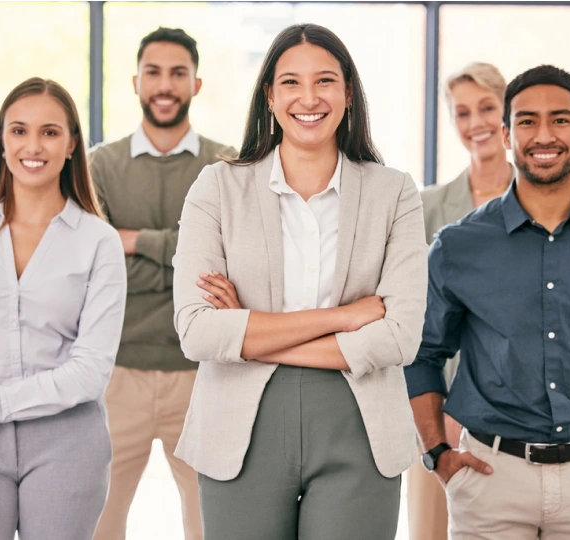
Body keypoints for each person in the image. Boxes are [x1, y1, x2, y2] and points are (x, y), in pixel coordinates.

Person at [172, 23, 428, 540]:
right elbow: (198, 333)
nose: (308, 98)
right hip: (238, 429)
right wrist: (344, 317)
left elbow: (399, 337)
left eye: (325, 81)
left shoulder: (395, 193)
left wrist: (250, 333)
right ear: (269, 94)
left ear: (348, 92)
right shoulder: (217, 187)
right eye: (290, 82)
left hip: (360, 426)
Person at [405, 64, 570, 539]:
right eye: (527, 121)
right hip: (490, 481)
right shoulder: (458, 245)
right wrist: (437, 453)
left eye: (560, 119)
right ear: (509, 135)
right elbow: (422, 353)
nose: (544, 135)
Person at [0, 77, 126, 540]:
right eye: (19, 131)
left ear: (71, 144)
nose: (33, 145)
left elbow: (90, 370)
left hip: (67, 441)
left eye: (50, 132)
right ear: (2, 142)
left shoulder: (98, 242)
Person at [90, 27, 233, 540]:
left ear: (196, 83)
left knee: (211, 525)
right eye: (154, 72)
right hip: (116, 375)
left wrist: (132, 241)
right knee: (98, 524)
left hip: (203, 376)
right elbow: (97, 267)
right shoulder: (99, 166)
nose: (165, 84)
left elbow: (229, 266)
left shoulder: (227, 165)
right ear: (135, 82)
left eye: (178, 73)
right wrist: (184, 254)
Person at [406, 62, 514, 540]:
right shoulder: (426, 208)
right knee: (429, 531)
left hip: (516, 418)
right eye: (462, 113)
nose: (476, 123)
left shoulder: (544, 203)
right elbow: (409, 313)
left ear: (509, 111)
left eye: (487, 107)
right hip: (435, 414)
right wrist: (436, 418)